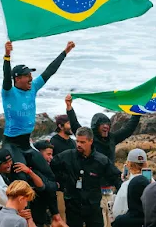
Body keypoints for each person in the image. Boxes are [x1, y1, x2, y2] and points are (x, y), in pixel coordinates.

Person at [1, 41, 75, 182]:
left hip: (27, 143)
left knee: (50, 176)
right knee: (21, 177)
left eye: (31, 75)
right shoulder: (8, 93)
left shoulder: (33, 88)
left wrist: (65, 52)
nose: (31, 78)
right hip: (11, 143)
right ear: (17, 78)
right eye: (27, 75)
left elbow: (49, 71)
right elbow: (6, 77)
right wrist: (7, 56)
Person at [65, 94, 140, 227]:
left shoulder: (112, 138)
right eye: (102, 124)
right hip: (93, 190)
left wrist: (138, 112)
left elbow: (128, 129)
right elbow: (76, 126)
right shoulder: (90, 140)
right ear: (95, 126)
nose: (106, 126)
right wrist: (69, 108)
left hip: (110, 189)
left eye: (108, 124)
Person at [51, 127, 121, 227]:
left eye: (82, 142)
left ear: (90, 141)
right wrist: (62, 183)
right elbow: (51, 168)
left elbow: (116, 178)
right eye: (77, 141)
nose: (79, 144)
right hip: (73, 207)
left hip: (93, 208)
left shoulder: (101, 160)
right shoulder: (67, 156)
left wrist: (124, 196)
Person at [32, 140, 63, 226]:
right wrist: (55, 185)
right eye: (48, 154)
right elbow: (46, 187)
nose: (51, 157)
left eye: (51, 154)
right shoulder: (32, 170)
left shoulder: (48, 169)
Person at [113, 148, 149, 219]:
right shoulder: (152, 183)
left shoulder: (126, 185)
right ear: (145, 164)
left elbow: (116, 212)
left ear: (128, 165)